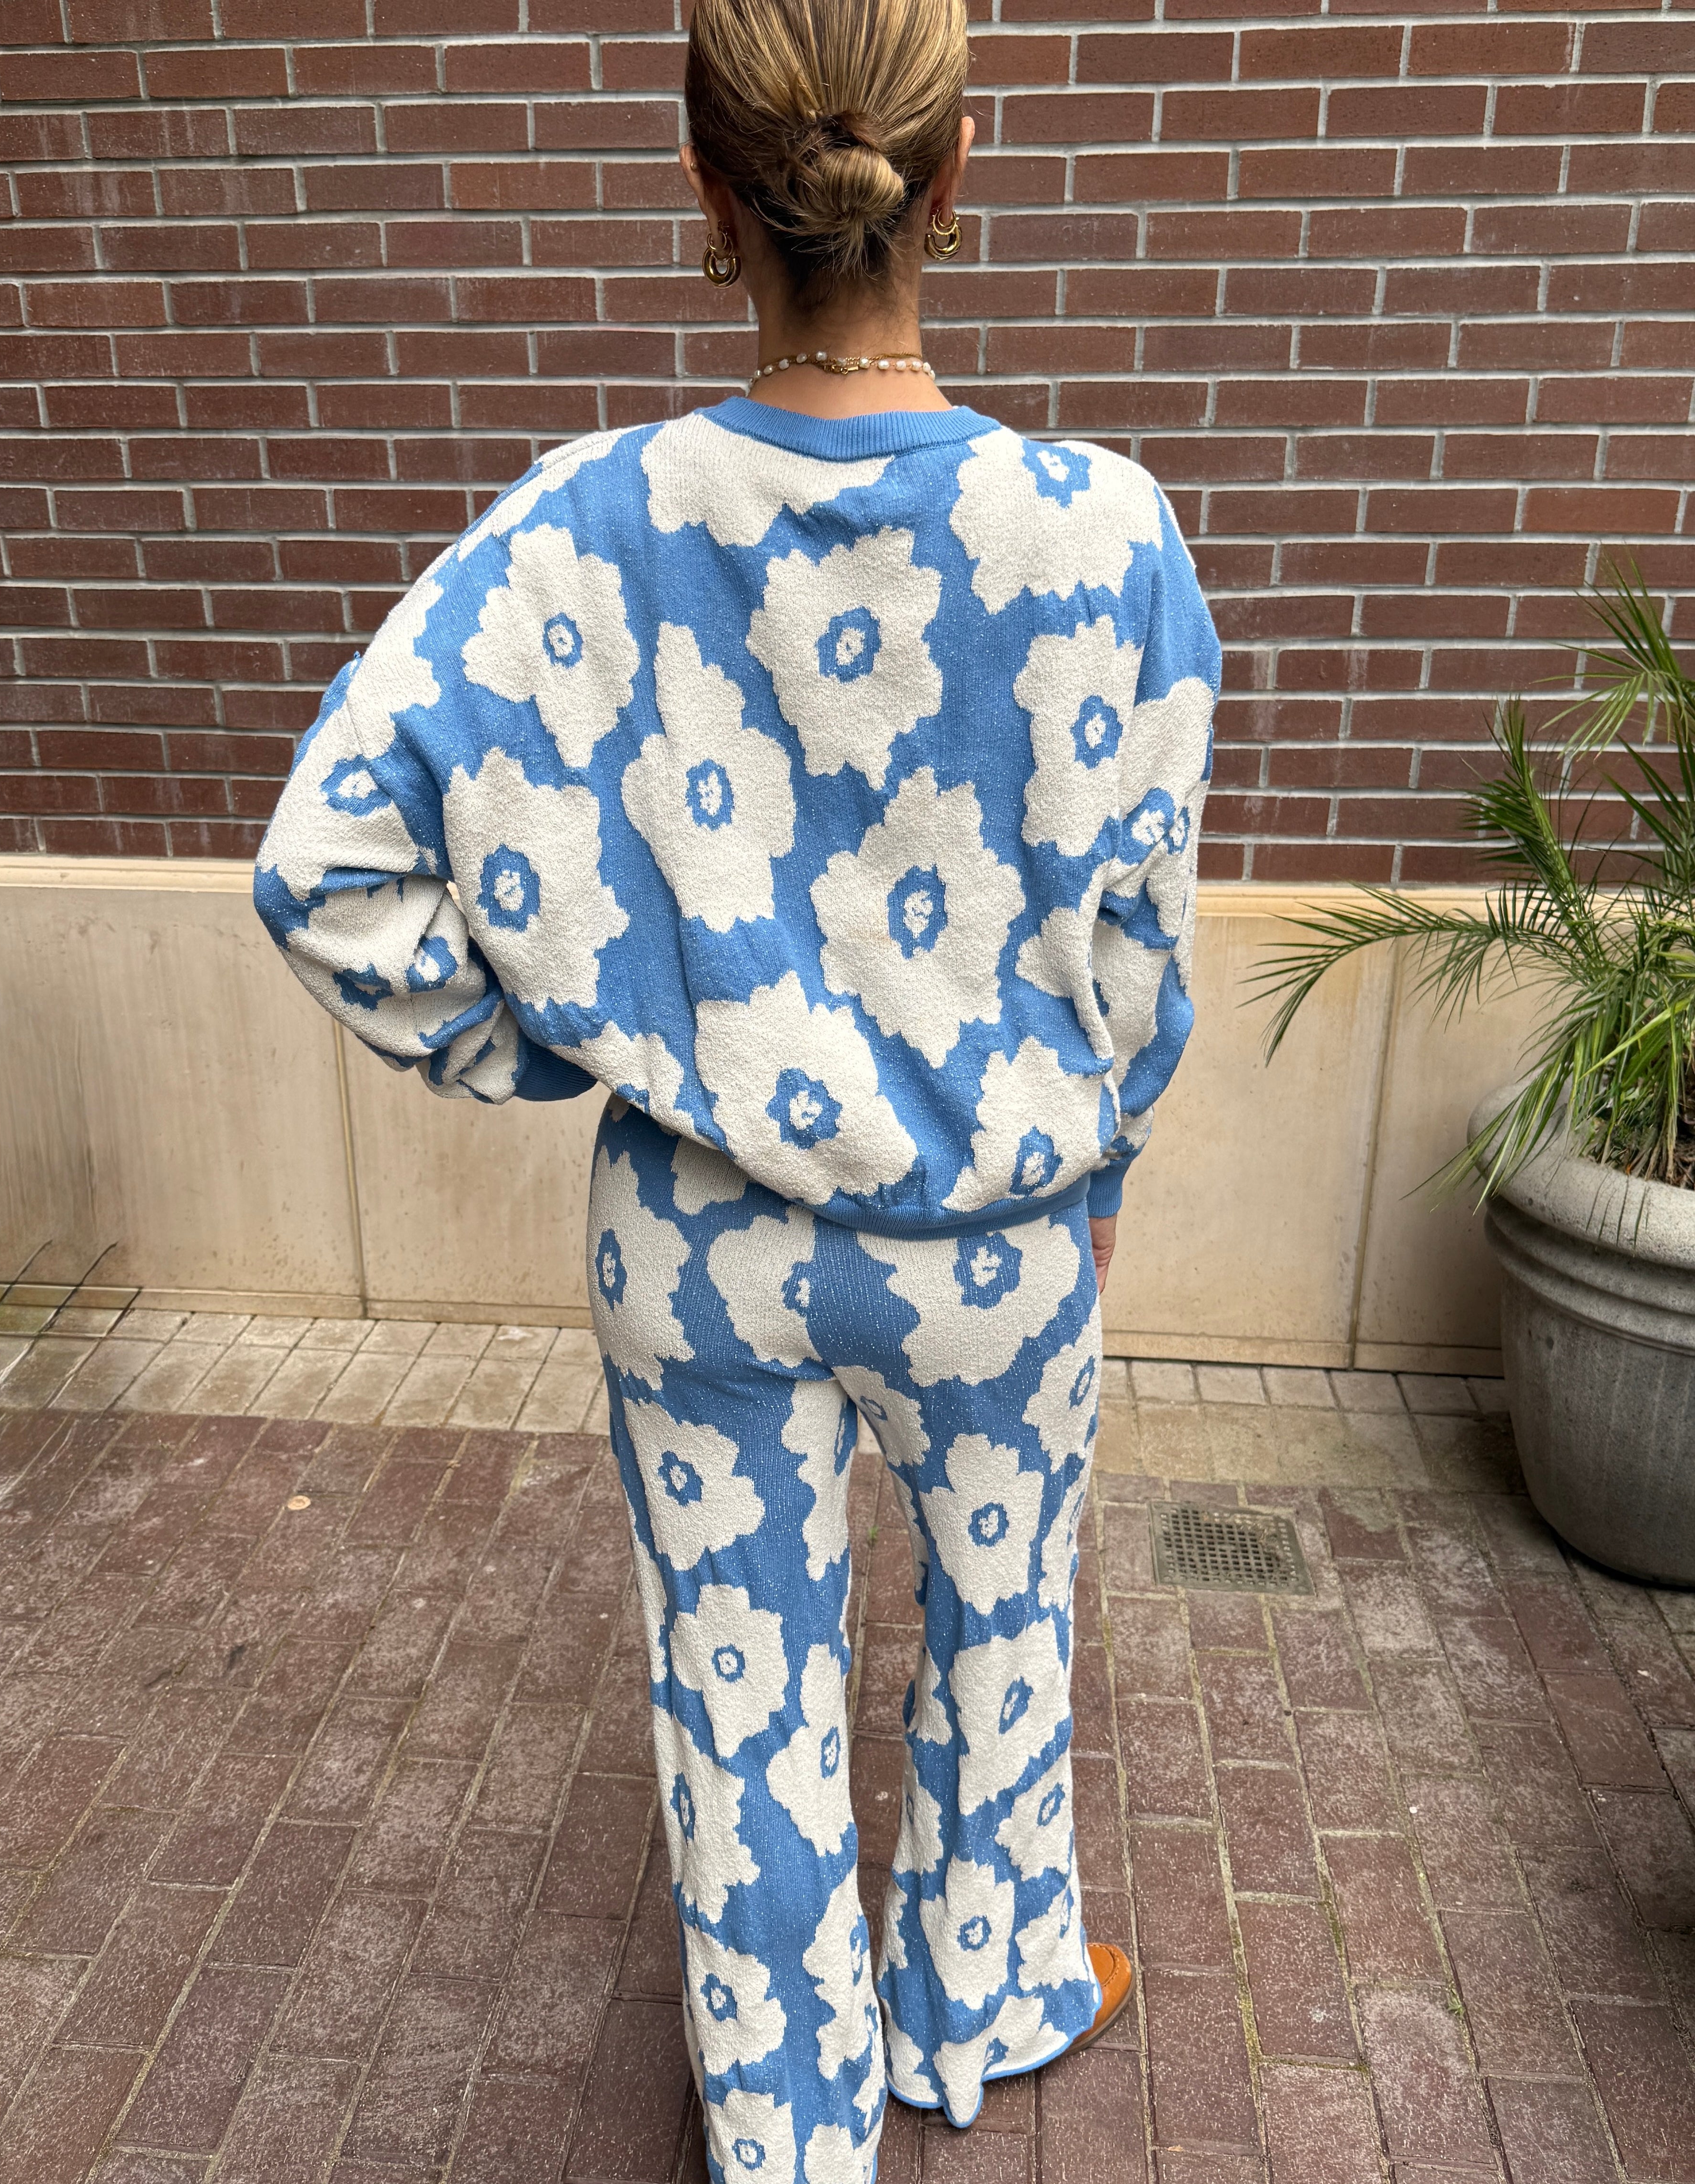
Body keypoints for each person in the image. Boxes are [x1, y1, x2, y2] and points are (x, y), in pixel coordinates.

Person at [255, 0, 1218, 2171]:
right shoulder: (1108, 536)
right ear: (953, 176)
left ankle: (789, 2121)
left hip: (700, 1238)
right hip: (999, 1239)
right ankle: (984, 1990)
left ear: (708, 188)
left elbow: (325, 862)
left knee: (741, 1692)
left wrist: (568, 1039)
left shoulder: (592, 524)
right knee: (1003, 1635)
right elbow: (1138, 947)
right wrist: (1092, 1147)